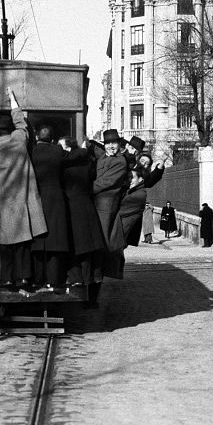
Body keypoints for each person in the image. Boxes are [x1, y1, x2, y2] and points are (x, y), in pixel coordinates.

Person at [0, 88, 47, 288]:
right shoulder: (19, 139)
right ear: (10, 129)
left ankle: (7, 277)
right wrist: (13, 99)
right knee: (23, 243)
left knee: (5, 242)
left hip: (3, 200)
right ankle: (24, 277)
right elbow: (21, 123)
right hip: (22, 199)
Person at [89, 129, 132, 304]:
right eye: (108, 144)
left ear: (119, 145)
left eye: (114, 143)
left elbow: (104, 183)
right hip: (97, 206)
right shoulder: (103, 158)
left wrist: (83, 189)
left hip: (105, 208)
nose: (112, 146)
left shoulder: (120, 162)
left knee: (101, 249)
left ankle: (93, 297)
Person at [58, 136, 105, 287]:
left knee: (76, 247)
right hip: (86, 207)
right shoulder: (86, 163)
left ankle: (77, 279)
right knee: (86, 248)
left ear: (69, 149)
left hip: (73, 207)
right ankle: (88, 282)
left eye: (61, 147)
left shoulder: (65, 165)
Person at [30, 125, 71, 288]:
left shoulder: (31, 151)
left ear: (37, 137)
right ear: (52, 139)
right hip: (56, 198)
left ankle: (38, 278)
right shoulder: (58, 151)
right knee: (55, 241)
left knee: (38, 241)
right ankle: (54, 280)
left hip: (36, 197)